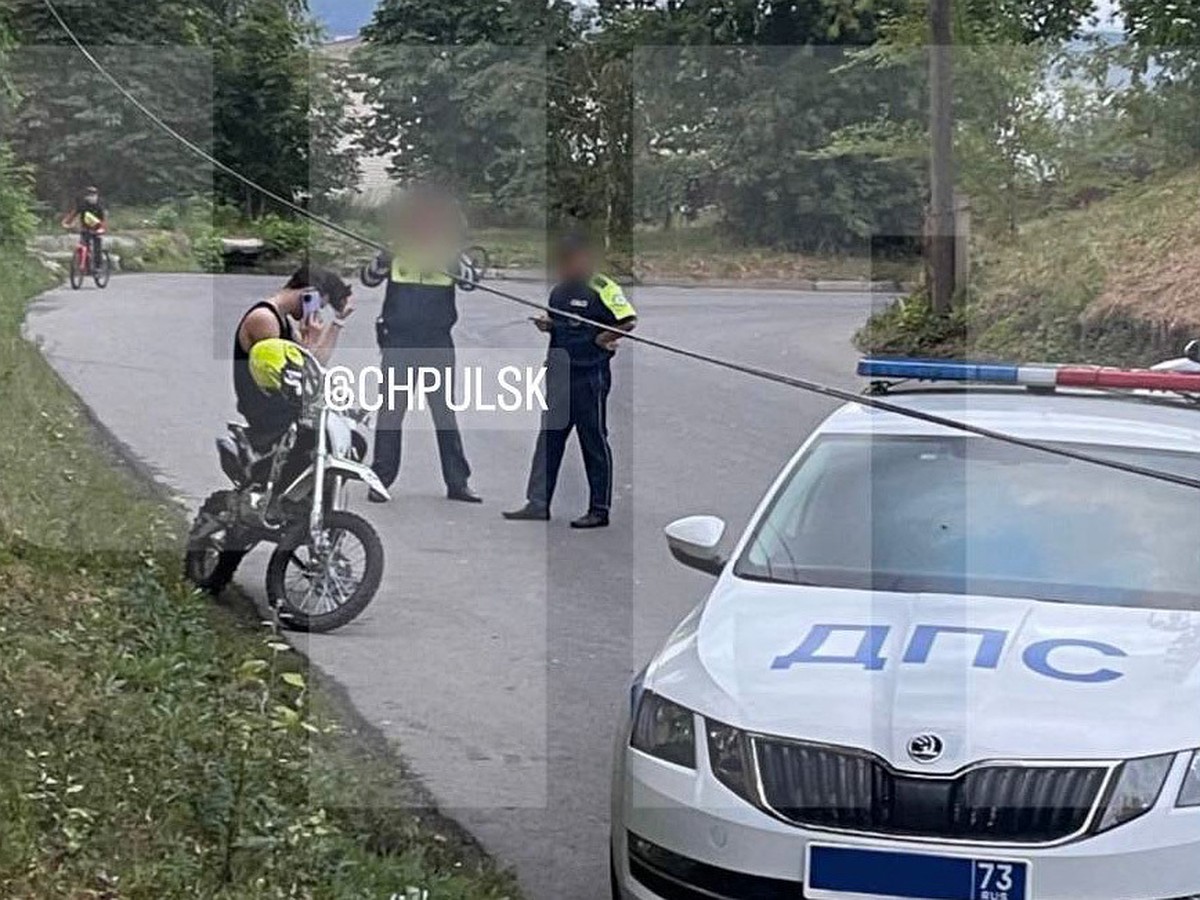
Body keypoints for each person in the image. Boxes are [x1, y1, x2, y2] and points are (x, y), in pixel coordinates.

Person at [503, 233, 637, 529]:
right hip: (559, 373)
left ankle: (598, 509)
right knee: (549, 439)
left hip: (589, 375)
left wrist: (605, 337)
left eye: (569, 261)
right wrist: (547, 326)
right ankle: (538, 503)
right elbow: (561, 325)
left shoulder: (602, 288)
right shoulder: (559, 292)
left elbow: (627, 320)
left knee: (593, 441)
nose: (564, 267)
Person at [360, 187, 482, 504]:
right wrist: (384, 259)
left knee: (444, 413)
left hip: (436, 343)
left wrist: (452, 261)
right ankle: (380, 479)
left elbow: (471, 282)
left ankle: (458, 483)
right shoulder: (396, 250)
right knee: (391, 412)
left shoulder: (449, 253)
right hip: (399, 342)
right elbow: (367, 279)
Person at [234, 266, 354, 452]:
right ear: (309, 294)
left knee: (349, 441)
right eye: (317, 305)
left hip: (284, 403)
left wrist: (337, 323)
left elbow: (315, 364)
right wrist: (310, 340)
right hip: (265, 405)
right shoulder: (265, 318)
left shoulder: (285, 323)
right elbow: (290, 372)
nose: (316, 312)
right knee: (315, 441)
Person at [61, 185, 107, 272]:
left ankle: (98, 267)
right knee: (83, 245)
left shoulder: (99, 206)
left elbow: (103, 219)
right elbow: (73, 214)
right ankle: (85, 266)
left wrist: (101, 229)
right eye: (89, 195)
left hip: (97, 229)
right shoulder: (83, 205)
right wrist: (66, 222)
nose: (92, 197)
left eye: (93, 195)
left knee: (97, 247)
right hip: (85, 229)